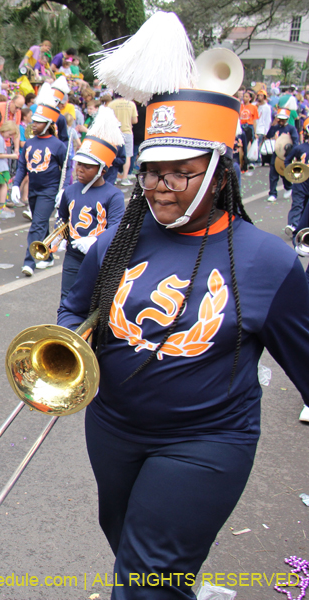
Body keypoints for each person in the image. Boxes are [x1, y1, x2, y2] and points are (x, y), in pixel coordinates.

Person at [64, 13, 309, 598]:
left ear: (220, 175)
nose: (160, 186)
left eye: (180, 173)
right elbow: (74, 309)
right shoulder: (114, 241)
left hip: (207, 440)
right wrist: (69, 348)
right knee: (128, 545)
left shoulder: (269, 262)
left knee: (144, 579)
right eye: (152, 172)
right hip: (114, 427)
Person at [56, 106, 125, 300]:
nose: (80, 170)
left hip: (100, 258)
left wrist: (96, 241)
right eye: (79, 164)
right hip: (73, 255)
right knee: (67, 298)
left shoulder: (114, 196)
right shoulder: (69, 191)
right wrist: (58, 237)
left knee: (95, 302)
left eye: (87, 167)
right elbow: (63, 219)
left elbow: (116, 229)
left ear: (102, 170)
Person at [12, 84, 68, 276]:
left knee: (36, 224)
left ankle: (30, 261)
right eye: (32, 122)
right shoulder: (28, 143)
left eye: (37, 122)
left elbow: (66, 169)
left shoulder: (58, 145)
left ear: (47, 124)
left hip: (49, 190)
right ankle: (48, 256)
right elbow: (22, 167)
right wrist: (15, 186)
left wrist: (63, 190)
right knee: (40, 223)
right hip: (34, 190)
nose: (33, 125)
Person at [266, 109, 299, 203]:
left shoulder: (291, 129)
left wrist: (292, 155)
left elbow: (295, 142)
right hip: (276, 154)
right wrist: (272, 125)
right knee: (273, 174)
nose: (281, 121)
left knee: (284, 174)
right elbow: (268, 136)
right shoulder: (276, 127)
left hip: (286, 155)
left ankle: (288, 187)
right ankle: (272, 193)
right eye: (279, 119)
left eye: (283, 119)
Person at [283, 121, 309, 236]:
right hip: (301, 181)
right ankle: (293, 225)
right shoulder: (299, 148)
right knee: (298, 204)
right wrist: (292, 172)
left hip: (304, 181)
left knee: (305, 206)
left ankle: (302, 227)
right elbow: (287, 160)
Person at [109, 94, 137, 185]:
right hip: (127, 131)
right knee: (127, 155)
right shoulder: (131, 104)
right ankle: (125, 177)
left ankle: (115, 176)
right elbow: (135, 120)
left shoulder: (111, 104)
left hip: (114, 132)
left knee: (114, 154)